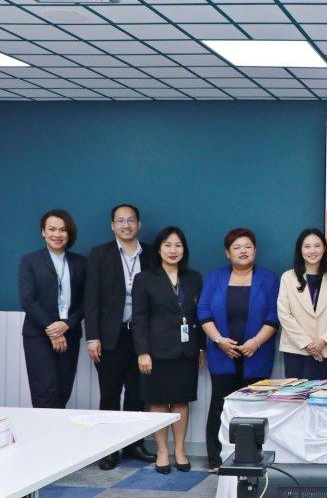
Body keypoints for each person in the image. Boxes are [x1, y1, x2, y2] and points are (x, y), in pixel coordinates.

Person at [198, 228, 279, 471]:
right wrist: (219, 341)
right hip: (222, 353)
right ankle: (215, 458)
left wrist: (256, 342)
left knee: (255, 408)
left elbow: (274, 315)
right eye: (237, 247)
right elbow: (203, 311)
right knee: (219, 406)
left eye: (248, 247)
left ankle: (254, 458)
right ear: (227, 253)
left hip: (257, 353)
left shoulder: (269, 278)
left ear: (255, 250)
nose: (243, 251)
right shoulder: (215, 277)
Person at [85, 203, 157, 469]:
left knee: (138, 393)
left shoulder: (151, 253)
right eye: (120, 220)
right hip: (110, 336)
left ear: (139, 224)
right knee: (110, 393)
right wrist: (92, 336)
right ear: (112, 225)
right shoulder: (100, 254)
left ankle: (134, 444)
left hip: (141, 335)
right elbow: (91, 297)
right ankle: (109, 449)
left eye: (131, 220)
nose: (126, 225)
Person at [131, 227, 204, 473]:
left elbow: (200, 315)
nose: (173, 250)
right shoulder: (144, 279)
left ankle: (180, 450)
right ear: (159, 249)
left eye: (178, 245)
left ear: (184, 249)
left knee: (182, 401)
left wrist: (201, 347)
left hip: (187, 350)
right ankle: (162, 451)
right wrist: (142, 352)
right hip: (155, 352)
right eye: (168, 245)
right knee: (158, 402)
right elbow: (139, 318)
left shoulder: (193, 278)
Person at [18, 209, 86, 409]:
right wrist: (53, 329)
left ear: (69, 233)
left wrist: (67, 324)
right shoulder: (30, 261)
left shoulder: (81, 263)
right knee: (45, 391)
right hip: (38, 335)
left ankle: (57, 429)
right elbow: (27, 300)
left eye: (63, 230)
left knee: (63, 390)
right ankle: (43, 430)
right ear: (43, 232)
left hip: (70, 333)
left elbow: (87, 300)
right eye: (52, 229)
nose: (57, 234)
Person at [277, 228, 327, 378]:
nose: (312, 251)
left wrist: (322, 341)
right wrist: (308, 344)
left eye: (317, 245)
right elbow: (284, 314)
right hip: (296, 350)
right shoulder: (288, 278)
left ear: (324, 248)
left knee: (326, 392)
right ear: (300, 250)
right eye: (307, 246)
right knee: (297, 392)